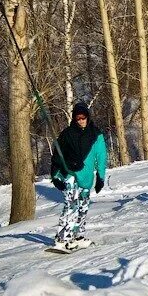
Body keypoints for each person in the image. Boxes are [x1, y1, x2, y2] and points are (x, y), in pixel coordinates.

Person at [49, 102, 107, 252]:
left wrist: (101, 177)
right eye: (78, 118)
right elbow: (57, 156)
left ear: (88, 117)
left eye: (83, 117)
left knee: (83, 206)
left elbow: (101, 157)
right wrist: (55, 176)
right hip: (70, 174)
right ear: (74, 119)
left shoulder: (96, 135)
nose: (81, 120)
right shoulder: (67, 134)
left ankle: (78, 235)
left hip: (86, 177)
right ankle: (64, 238)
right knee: (71, 204)